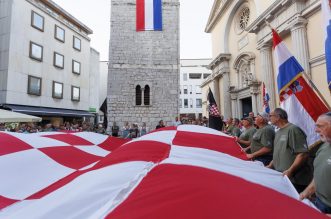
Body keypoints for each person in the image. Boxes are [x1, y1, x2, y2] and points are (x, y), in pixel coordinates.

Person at [267, 108, 312, 193]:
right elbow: (279, 152)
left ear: (278, 117)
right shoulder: (278, 132)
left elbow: (302, 154)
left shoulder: (293, 129)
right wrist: (270, 165)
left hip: (295, 179)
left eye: (270, 116)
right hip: (282, 176)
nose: (269, 118)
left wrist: (290, 170)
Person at [300, 112, 331, 215]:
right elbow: (320, 173)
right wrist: (308, 190)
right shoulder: (324, 146)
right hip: (320, 203)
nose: (316, 130)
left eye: (320, 126)